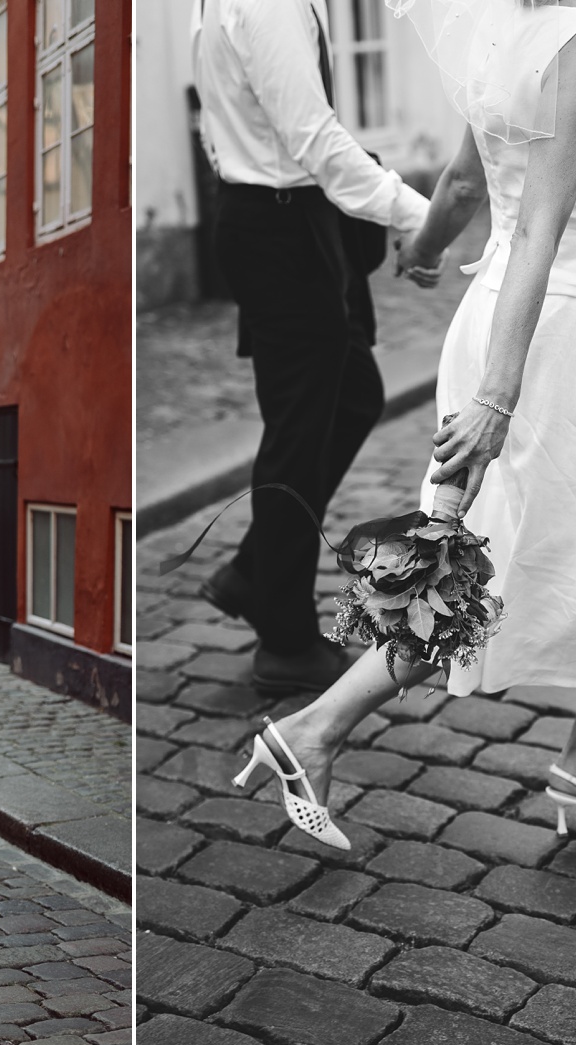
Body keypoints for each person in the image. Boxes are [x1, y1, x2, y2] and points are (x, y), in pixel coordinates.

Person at [238, 0, 576, 848]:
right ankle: (314, 729)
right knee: (482, 566)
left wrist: (424, 248)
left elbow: (466, 182)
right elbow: (541, 229)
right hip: (556, 331)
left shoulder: (500, 36)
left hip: (501, 314)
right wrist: (498, 400)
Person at [190, 0, 442, 695]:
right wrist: (425, 218)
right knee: (298, 437)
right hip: (281, 227)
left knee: (355, 395)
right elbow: (317, 141)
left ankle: (253, 569)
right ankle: (285, 640)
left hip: (291, 219)